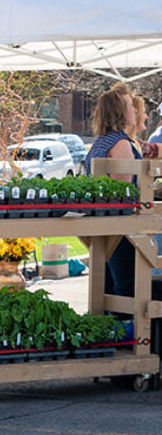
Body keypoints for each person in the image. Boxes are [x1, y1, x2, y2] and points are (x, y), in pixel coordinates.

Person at [84, 83, 142, 297]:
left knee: (106, 285)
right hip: (120, 228)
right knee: (126, 287)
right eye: (130, 105)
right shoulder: (121, 144)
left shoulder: (101, 142)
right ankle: (125, 329)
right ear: (119, 111)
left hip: (102, 225)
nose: (135, 110)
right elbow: (122, 192)